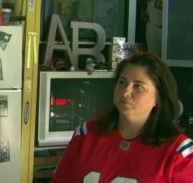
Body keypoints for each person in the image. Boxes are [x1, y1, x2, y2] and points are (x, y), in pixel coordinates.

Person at [51, 53, 193, 183]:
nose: (125, 92)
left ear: (159, 97)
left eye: (138, 86)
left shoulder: (180, 153)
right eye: (122, 82)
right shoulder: (86, 134)